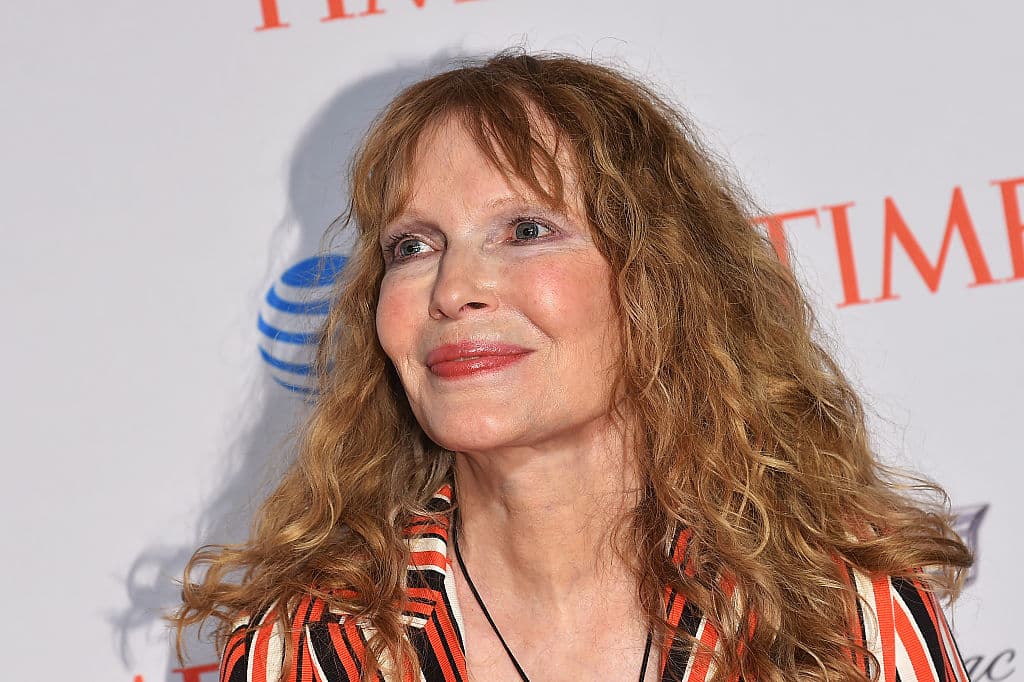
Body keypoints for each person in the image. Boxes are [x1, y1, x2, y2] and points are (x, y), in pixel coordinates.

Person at [173, 51, 973, 682]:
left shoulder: (838, 612)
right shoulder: (314, 645)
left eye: (525, 230)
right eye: (412, 247)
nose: (453, 290)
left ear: (659, 281)